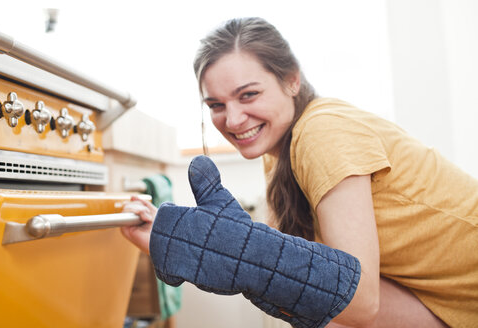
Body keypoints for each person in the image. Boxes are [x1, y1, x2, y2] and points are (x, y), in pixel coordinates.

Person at [121, 17, 478, 328]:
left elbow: (358, 301)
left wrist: (235, 250)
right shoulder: (278, 151)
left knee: (328, 305)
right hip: (443, 299)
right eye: (216, 105)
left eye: (247, 95)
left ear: (292, 81)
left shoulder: (322, 132)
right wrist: (177, 235)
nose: (231, 120)